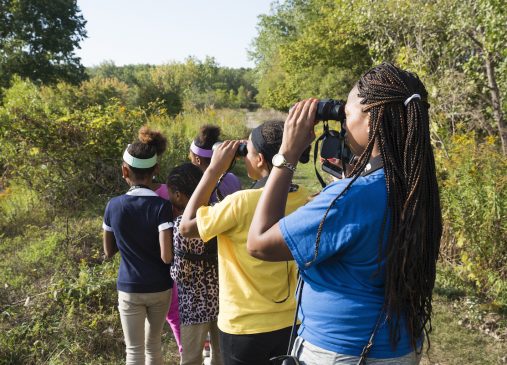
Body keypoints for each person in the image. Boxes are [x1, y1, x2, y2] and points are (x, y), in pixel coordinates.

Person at [247, 63, 442, 365]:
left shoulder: (351, 197)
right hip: (400, 348)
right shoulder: (418, 187)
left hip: (342, 352)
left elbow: (259, 242)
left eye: (347, 114)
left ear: (370, 120)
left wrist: (286, 156)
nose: (343, 122)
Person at [179, 121, 310, 365]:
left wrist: (213, 170)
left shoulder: (240, 203)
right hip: (293, 321)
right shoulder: (307, 197)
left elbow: (186, 227)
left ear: (259, 159)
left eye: (246, 151)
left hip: (244, 326)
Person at [102, 131, 174, 365]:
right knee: (153, 346)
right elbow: (166, 256)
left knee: (133, 351)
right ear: (155, 171)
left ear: (125, 171)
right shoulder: (163, 207)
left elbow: (108, 251)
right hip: (160, 287)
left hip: (129, 287)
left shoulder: (113, 206)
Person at [166, 163, 223, 365]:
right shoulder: (216, 214)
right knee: (221, 356)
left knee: (191, 358)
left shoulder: (182, 225)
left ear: (180, 195)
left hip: (193, 305)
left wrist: (170, 268)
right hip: (221, 300)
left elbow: (181, 273)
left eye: (171, 193)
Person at [137, 126, 183, 355]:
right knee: (174, 314)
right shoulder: (169, 193)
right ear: (157, 165)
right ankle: (187, 352)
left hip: (138, 268)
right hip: (168, 262)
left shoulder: (127, 200)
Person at [189, 124, 241, 202]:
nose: (189, 158)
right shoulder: (233, 178)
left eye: (190, 156)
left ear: (198, 160)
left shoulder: (199, 185)